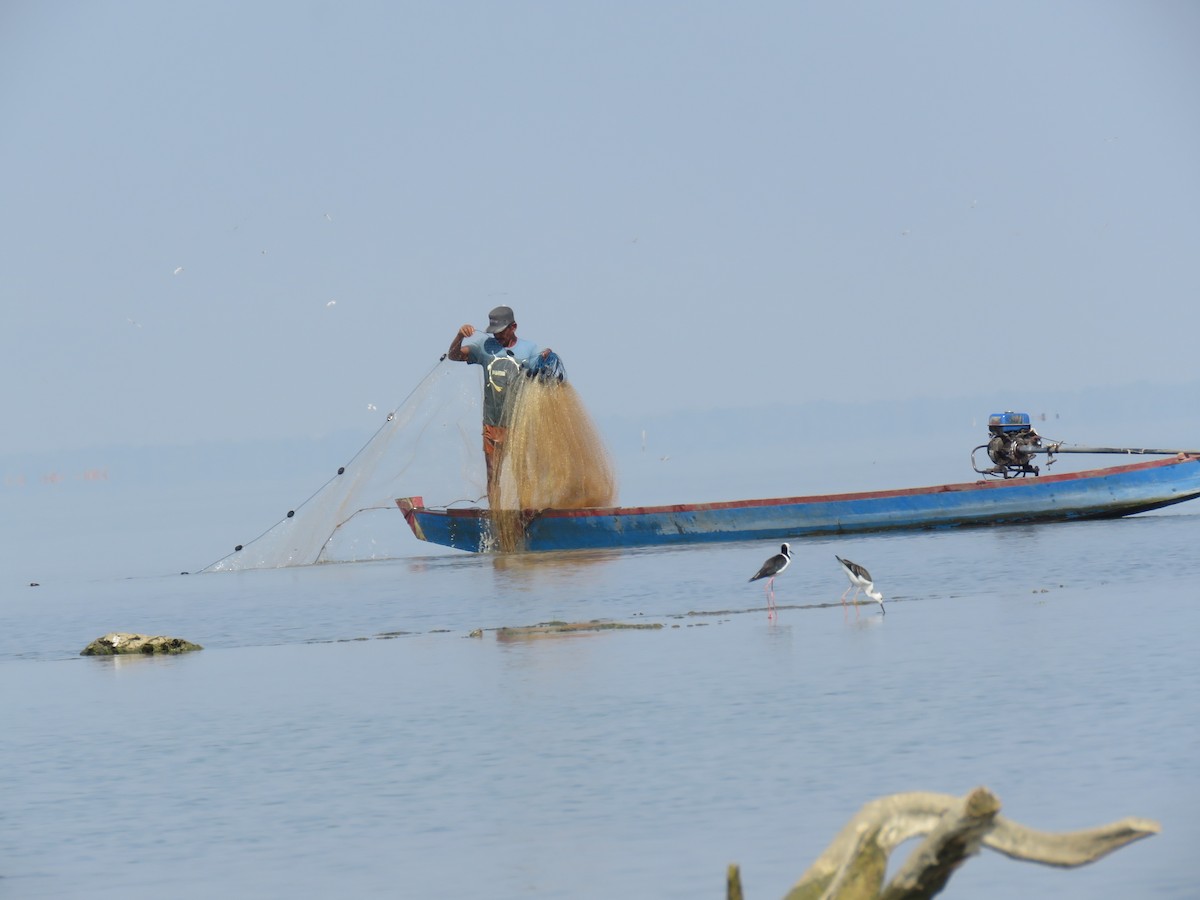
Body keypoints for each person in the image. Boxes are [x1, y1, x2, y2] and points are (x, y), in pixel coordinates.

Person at [447, 306, 552, 499]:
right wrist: (459, 335)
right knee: (493, 475)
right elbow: (454, 355)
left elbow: (541, 372)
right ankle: (497, 519)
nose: (497, 336)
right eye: (494, 332)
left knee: (522, 473)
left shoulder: (529, 349)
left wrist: (545, 357)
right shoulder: (484, 348)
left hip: (520, 424)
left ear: (513, 327)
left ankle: (525, 517)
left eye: (501, 331)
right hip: (492, 424)